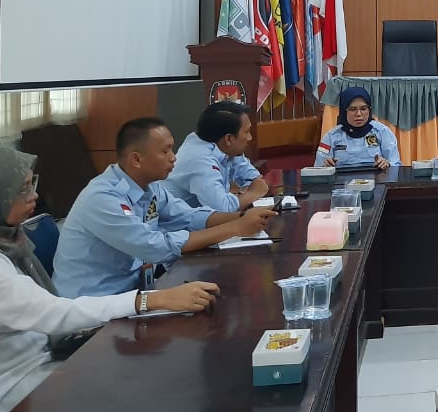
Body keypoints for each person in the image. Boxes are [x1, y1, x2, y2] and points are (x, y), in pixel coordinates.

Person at [0, 147, 219, 412]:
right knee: (147, 399)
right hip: (3, 407)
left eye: (33, 184)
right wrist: (151, 299)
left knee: (149, 377)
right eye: (22, 189)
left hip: (39, 368)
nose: (34, 195)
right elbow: (52, 314)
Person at [53, 117, 275, 298]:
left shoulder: (150, 186)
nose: (173, 158)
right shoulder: (103, 198)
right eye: (165, 151)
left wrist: (243, 216)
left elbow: (189, 217)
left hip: (134, 294)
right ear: (136, 159)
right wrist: (235, 228)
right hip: (94, 309)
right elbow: (155, 247)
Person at [161, 101, 269, 211]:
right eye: (246, 132)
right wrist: (252, 193)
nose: (250, 138)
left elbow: (255, 179)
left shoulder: (225, 147)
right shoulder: (200, 160)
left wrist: (247, 193)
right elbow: (223, 210)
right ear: (228, 139)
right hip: (171, 221)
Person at [316, 86, 402, 171]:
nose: (358, 114)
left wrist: (387, 164)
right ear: (344, 111)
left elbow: (396, 164)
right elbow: (318, 169)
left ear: (369, 110)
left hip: (376, 179)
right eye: (353, 109)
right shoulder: (330, 137)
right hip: (342, 180)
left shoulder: (383, 132)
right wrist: (325, 167)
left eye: (363, 109)